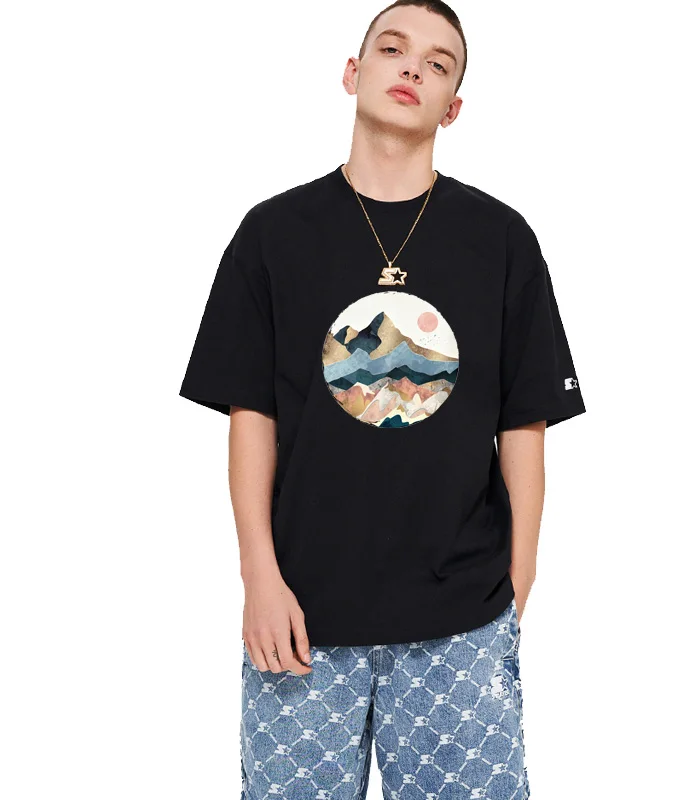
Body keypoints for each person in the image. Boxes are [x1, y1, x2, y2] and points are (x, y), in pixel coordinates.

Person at [178, 1, 586, 797]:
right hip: (300, 615)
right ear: (352, 72)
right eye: (393, 49)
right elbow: (250, 415)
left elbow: (524, 423)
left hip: (461, 618)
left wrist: (517, 583)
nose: (412, 69)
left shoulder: (501, 239)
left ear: (453, 107)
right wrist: (258, 576)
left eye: (438, 64)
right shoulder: (273, 234)